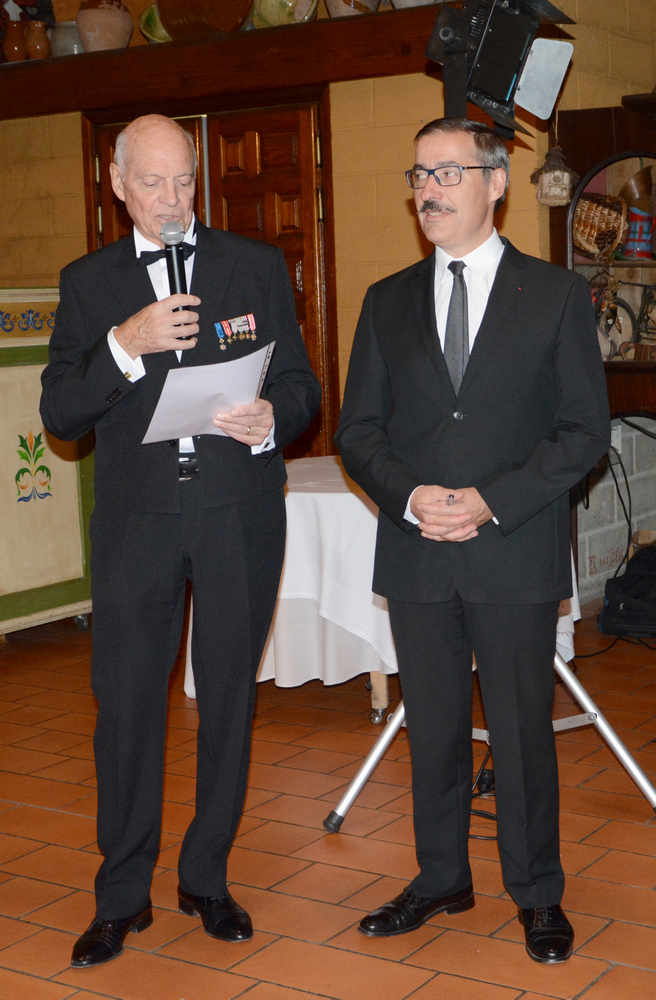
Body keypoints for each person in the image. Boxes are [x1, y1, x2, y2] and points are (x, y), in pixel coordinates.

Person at [40, 114, 321, 968]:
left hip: (239, 513)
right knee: (127, 709)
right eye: (153, 183)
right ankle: (121, 896)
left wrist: (277, 418)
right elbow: (59, 414)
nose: (171, 202)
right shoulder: (89, 284)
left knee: (229, 697)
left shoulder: (253, 264)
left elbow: (304, 382)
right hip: (138, 526)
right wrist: (127, 344)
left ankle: (206, 877)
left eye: (184, 182)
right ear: (118, 184)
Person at [335, 118, 609, 964]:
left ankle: (537, 892)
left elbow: (581, 432)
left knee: (523, 733)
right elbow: (359, 431)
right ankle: (442, 876)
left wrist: (490, 502)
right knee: (438, 730)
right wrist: (412, 496)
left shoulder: (556, 296)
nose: (429, 190)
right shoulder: (385, 301)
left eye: (449, 173)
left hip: (511, 549)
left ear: (497, 182)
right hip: (418, 552)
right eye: (420, 173)